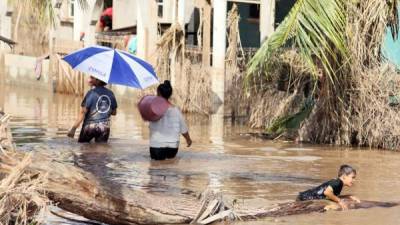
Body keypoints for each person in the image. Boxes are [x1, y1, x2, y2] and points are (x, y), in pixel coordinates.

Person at [149, 80, 192, 160]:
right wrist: (188, 140)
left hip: (156, 146)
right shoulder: (176, 110)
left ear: (159, 94)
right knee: (169, 166)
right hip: (172, 147)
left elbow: (150, 123)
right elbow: (183, 129)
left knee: (156, 168)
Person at [67, 76, 117, 143]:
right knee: (101, 151)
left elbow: (83, 112)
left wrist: (73, 128)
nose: (89, 79)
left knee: (83, 148)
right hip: (104, 127)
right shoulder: (111, 94)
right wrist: (103, 109)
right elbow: (114, 112)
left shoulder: (91, 93)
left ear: (98, 80)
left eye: (92, 78)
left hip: (90, 126)